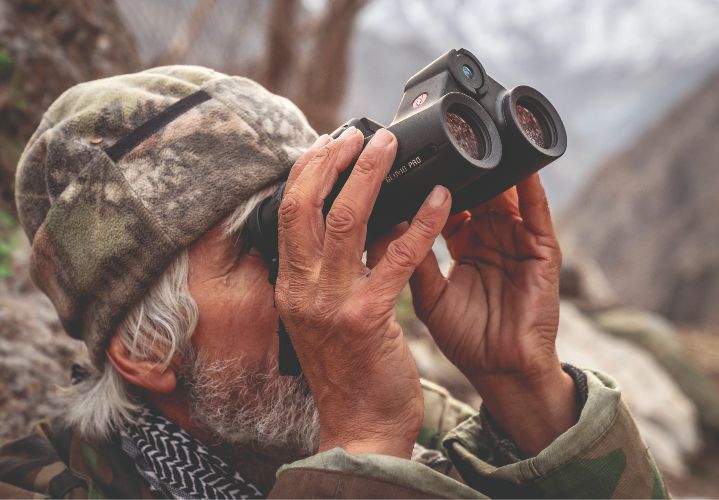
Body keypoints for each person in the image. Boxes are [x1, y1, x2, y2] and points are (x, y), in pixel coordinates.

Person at [0, 66, 666, 498]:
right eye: (274, 244)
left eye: (330, 222)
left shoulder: (430, 423)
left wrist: (529, 393)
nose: (335, 271)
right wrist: (367, 448)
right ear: (147, 348)